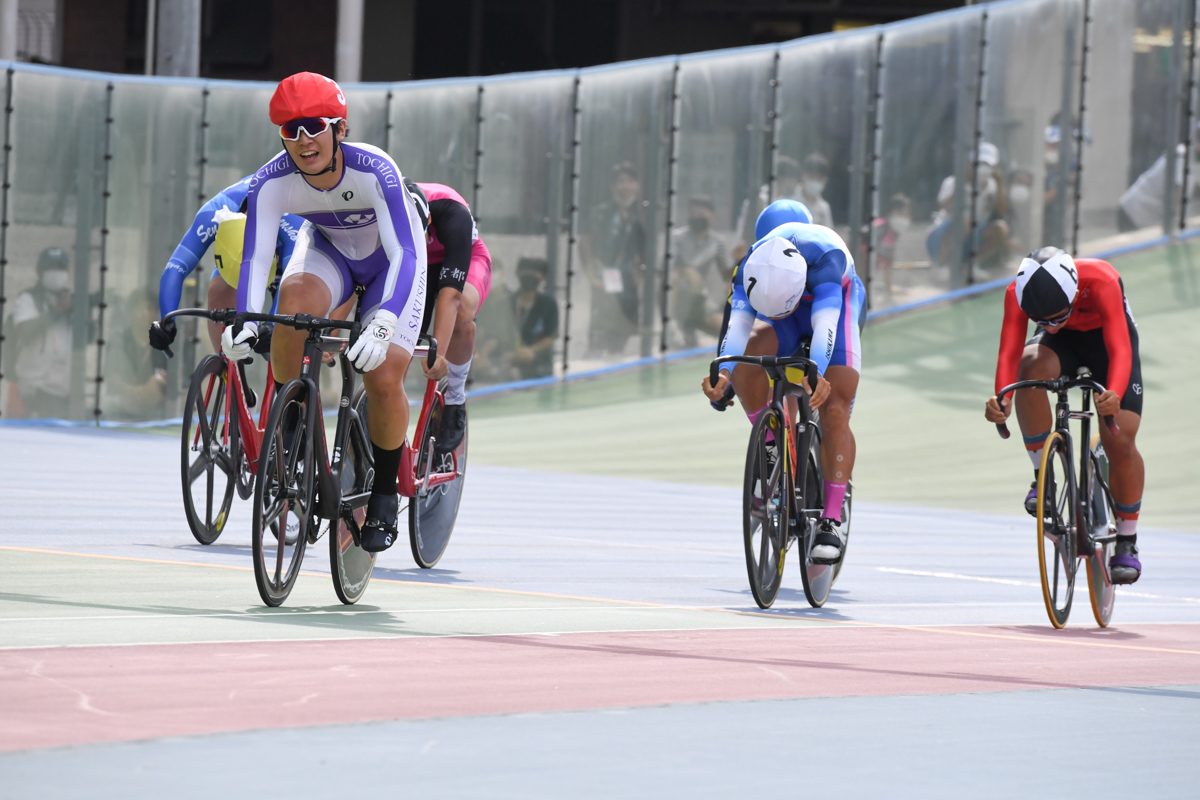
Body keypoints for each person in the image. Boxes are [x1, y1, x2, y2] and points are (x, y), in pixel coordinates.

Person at [230, 71, 427, 553]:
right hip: (330, 253)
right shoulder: (272, 179)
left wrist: (383, 321)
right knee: (291, 305)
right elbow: (255, 258)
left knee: (383, 376)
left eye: (314, 126)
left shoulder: (374, 168)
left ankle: (383, 492)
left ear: (340, 128)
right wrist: (246, 321)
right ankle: (293, 421)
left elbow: (405, 251)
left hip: (392, 265)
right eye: (289, 130)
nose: (303, 140)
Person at [702, 199, 864, 564]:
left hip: (835, 304)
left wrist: (817, 371)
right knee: (749, 355)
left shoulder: (826, 258)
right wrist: (724, 374)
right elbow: (738, 325)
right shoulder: (749, 266)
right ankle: (773, 445)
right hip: (785, 313)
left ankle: (831, 519)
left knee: (835, 403)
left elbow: (826, 325)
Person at [984, 247, 1144, 584]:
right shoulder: (1018, 293)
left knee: (1121, 439)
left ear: (1073, 293)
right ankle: (1043, 477)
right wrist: (1002, 398)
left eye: (1057, 317)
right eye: (1041, 321)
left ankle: (1127, 539)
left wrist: (1113, 392)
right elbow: (1009, 350)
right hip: (1063, 349)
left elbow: (1120, 347)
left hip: (1106, 343)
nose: (1049, 327)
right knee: (1029, 371)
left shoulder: (1102, 279)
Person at [148, 176, 305, 357]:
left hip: (292, 253)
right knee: (219, 291)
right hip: (244, 251)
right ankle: (227, 368)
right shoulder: (216, 211)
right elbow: (175, 269)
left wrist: (272, 326)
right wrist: (167, 321)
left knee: (297, 319)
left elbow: (295, 283)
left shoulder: (292, 220)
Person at [413, 181, 492, 455]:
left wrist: (439, 352)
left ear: (428, 220)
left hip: (464, 259)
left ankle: (455, 398)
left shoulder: (452, 211)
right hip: (422, 264)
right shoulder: (380, 209)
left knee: (460, 314)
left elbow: (451, 297)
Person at [581, 161, 646, 356]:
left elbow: (644, 249)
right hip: (605, 272)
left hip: (627, 276)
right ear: (613, 186)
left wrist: (640, 272)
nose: (625, 187)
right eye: (621, 182)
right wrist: (591, 273)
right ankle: (594, 355)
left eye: (630, 182)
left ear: (637, 186)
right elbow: (585, 242)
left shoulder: (640, 215)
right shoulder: (601, 212)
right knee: (602, 320)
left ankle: (614, 355)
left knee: (624, 323)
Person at [5, 247, 73, 419]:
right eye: (51, 268)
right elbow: (25, 331)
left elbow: (88, 338)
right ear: (40, 272)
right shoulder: (28, 299)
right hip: (35, 386)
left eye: (61, 268)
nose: (57, 273)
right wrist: (56, 312)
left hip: (64, 388)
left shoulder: (71, 301)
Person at [671, 195, 731, 348]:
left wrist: (739, 261)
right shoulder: (676, 238)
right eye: (692, 214)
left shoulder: (718, 242)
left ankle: (695, 326)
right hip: (679, 298)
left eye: (701, 214)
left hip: (701, 299)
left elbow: (726, 274)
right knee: (683, 344)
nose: (696, 218)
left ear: (711, 216)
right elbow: (665, 269)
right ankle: (678, 328)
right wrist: (685, 270)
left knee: (729, 334)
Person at [511, 257, 558, 379]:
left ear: (543, 277)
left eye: (534, 272)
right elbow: (496, 334)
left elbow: (549, 337)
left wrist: (530, 351)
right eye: (526, 271)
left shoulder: (548, 305)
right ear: (517, 273)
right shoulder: (508, 302)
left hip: (538, 365)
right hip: (509, 359)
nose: (529, 276)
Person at [868, 193, 912, 295]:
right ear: (890, 213)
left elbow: (889, 259)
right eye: (903, 213)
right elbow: (862, 253)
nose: (906, 218)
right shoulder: (879, 228)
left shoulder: (894, 232)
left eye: (908, 214)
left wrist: (889, 287)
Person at [796, 153, 834, 228]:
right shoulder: (789, 199)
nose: (815, 181)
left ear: (825, 181)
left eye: (819, 178)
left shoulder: (824, 207)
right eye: (812, 177)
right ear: (803, 176)